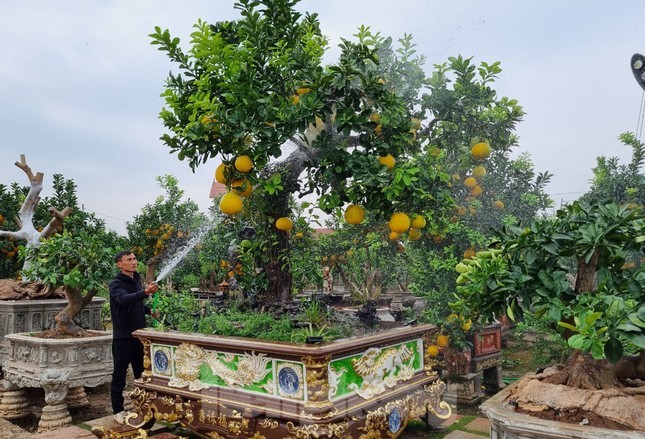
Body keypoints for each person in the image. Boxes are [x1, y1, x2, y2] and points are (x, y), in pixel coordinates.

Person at [109, 250, 159, 425]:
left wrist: (150, 311)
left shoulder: (136, 280)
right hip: (123, 337)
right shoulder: (116, 284)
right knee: (119, 376)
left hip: (140, 336)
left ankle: (143, 408)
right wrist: (145, 292)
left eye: (135, 258)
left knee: (142, 374)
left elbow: (136, 302)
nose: (133, 262)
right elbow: (123, 300)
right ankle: (118, 410)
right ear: (119, 264)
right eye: (129, 259)